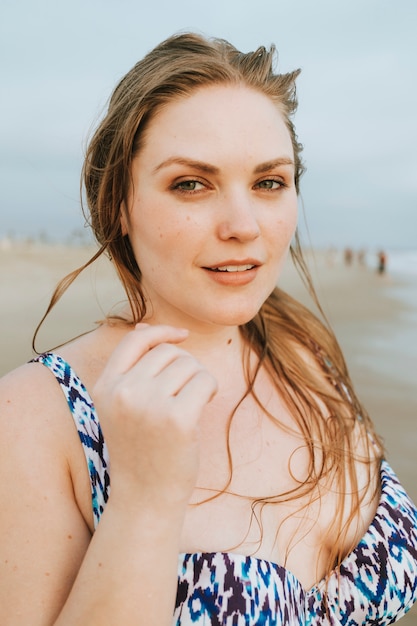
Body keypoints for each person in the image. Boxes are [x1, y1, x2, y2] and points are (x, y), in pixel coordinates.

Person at [0, 33, 416, 626]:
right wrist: (145, 497)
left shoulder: (302, 349)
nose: (243, 225)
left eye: (269, 182)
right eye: (191, 184)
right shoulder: (38, 416)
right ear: (120, 201)